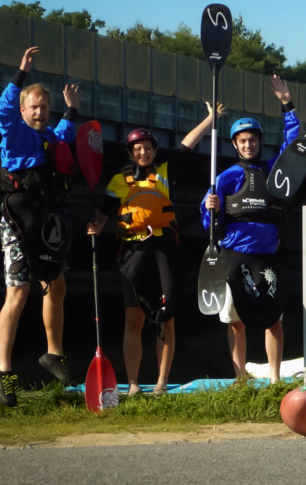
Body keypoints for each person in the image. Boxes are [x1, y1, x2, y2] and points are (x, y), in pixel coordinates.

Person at [87, 103, 223, 395]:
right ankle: (134, 383)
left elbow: (186, 146)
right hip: (133, 253)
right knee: (133, 318)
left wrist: (210, 119)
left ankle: (161, 382)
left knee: (166, 318)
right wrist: (95, 225)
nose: (143, 153)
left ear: (154, 150)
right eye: (137, 149)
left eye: (147, 148)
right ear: (129, 153)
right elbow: (104, 211)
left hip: (164, 250)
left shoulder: (165, 172)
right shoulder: (118, 181)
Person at [0, 46, 80, 407]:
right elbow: (2, 111)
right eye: (35, 107)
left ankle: (53, 354)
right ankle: (3, 371)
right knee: (19, 292)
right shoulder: (14, 133)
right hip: (17, 217)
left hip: (46, 218)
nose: (41, 112)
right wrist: (21, 73)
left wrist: (71, 107)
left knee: (56, 284)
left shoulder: (51, 138)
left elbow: (67, 131)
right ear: (24, 111)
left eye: (45, 107)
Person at [200, 76, 299, 383]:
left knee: (274, 321)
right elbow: (208, 222)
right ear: (235, 145)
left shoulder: (273, 171)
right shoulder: (227, 176)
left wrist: (288, 106)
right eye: (242, 140)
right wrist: (210, 208)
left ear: (259, 141)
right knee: (236, 322)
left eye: (252, 139)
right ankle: (240, 379)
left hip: (266, 257)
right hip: (235, 257)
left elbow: (293, 148)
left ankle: (274, 379)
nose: (248, 144)